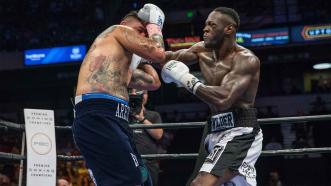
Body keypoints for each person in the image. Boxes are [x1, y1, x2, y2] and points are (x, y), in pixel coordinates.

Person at [162, 7, 263, 186]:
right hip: (213, 130)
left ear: (229, 29)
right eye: (205, 25)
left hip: (239, 131)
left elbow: (224, 99)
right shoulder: (201, 50)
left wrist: (186, 79)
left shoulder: (246, 60)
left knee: (200, 184)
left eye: (212, 25)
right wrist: (141, 49)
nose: (205, 29)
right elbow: (168, 57)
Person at [72, 4, 165, 186]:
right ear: (125, 24)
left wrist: (140, 57)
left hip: (116, 118)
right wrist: (154, 27)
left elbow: (154, 83)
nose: (142, 37)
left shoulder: (120, 65)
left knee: (143, 180)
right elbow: (158, 52)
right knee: (127, 180)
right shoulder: (117, 30)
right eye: (140, 30)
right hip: (99, 113)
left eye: (145, 34)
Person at [129, 89, 164, 186]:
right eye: (136, 92)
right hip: (129, 161)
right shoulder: (124, 114)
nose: (140, 95)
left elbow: (158, 135)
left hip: (149, 162)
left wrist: (141, 118)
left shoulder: (153, 115)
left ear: (147, 96)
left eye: (143, 93)